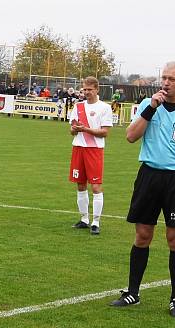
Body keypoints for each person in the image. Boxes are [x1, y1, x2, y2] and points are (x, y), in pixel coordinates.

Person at [110, 61, 175, 318]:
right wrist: (151, 108)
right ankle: (133, 293)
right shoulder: (147, 104)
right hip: (149, 176)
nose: (165, 82)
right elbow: (130, 136)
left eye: (172, 79)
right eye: (163, 77)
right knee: (142, 234)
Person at [68, 76, 113, 235]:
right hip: (78, 148)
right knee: (80, 185)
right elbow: (72, 130)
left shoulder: (104, 108)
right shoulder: (78, 106)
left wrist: (85, 129)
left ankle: (96, 222)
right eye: (84, 89)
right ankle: (84, 219)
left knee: (95, 186)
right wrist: (75, 129)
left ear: (97, 89)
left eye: (89, 89)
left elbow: (104, 133)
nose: (86, 92)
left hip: (94, 150)